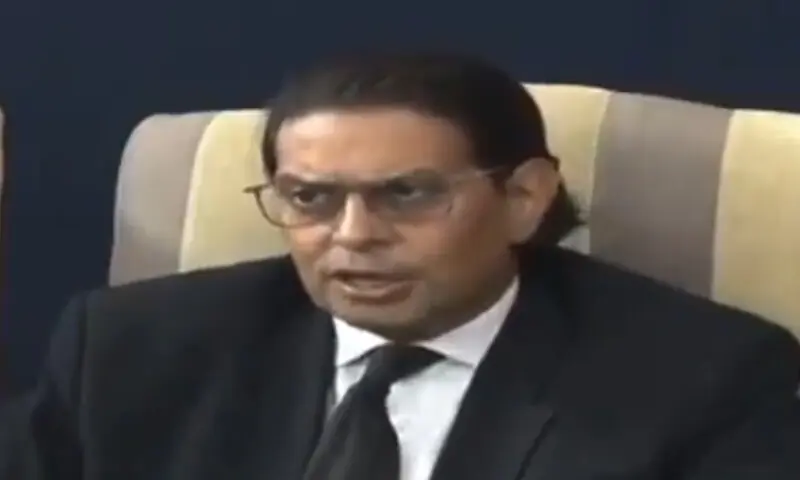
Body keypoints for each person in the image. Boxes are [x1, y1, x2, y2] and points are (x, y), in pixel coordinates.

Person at [2, 53, 800, 480]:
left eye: (408, 195)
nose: (352, 236)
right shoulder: (129, 348)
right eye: (310, 198)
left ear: (524, 197)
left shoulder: (703, 379)